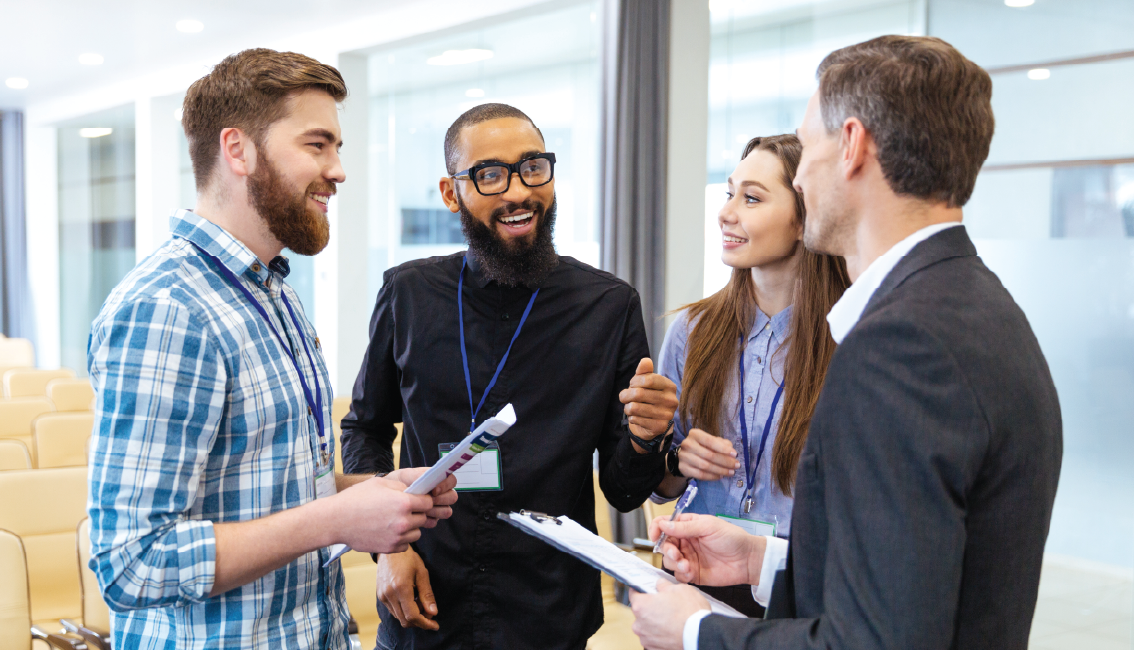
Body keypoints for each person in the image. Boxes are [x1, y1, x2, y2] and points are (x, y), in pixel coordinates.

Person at [629, 35, 1063, 650]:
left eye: (806, 149)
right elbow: (914, 580)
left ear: (853, 146)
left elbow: (876, 641)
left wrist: (697, 631)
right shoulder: (978, 306)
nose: (802, 175)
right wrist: (763, 559)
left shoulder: (900, 346)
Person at [87, 48, 458, 650]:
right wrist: (335, 520)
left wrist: (367, 495)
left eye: (336, 147)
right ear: (238, 150)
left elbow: (268, 489)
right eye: (317, 145)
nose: (338, 170)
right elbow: (133, 563)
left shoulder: (272, 293)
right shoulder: (167, 308)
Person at [340, 103, 679, 650]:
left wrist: (645, 437)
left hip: (547, 608)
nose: (518, 190)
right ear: (452, 195)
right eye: (490, 174)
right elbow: (366, 430)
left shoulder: (608, 306)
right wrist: (390, 548)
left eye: (533, 167)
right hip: (424, 601)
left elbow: (621, 491)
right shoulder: (408, 293)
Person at [651, 134, 849, 616]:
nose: (726, 213)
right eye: (729, 194)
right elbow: (659, 486)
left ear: (805, 218)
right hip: (695, 575)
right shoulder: (693, 330)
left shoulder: (850, 339)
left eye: (752, 198)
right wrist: (678, 459)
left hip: (799, 589)